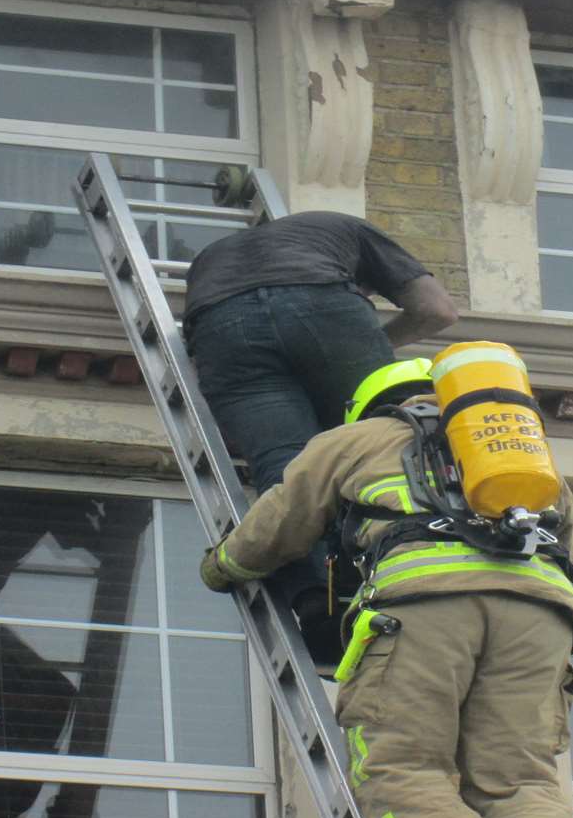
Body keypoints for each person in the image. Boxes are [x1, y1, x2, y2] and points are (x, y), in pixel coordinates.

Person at [197, 359, 573, 818]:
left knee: (401, 768)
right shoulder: (532, 460)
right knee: (518, 778)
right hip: (541, 617)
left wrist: (223, 566)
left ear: (374, 404)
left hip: (423, 604)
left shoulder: (355, 439)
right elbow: (571, 561)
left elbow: (283, 520)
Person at [183, 211, 458, 655]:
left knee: (287, 468)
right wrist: (362, 341)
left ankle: (314, 601)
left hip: (220, 326)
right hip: (325, 308)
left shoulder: (212, 256)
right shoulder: (346, 228)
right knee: (378, 445)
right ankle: (389, 582)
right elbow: (436, 309)